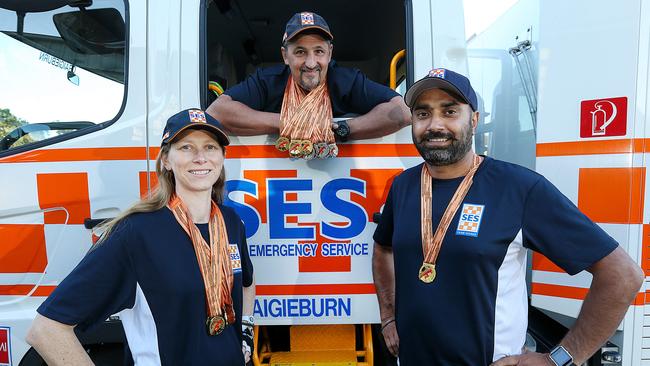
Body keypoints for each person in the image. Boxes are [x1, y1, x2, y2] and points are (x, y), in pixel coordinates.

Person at [371, 68, 644, 365]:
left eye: (449, 111)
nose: (435, 124)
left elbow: (623, 275)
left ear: (474, 120)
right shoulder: (403, 186)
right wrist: (387, 316)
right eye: (423, 114)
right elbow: (383, 248)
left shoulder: (518, 188)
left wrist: (559, 359)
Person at [26, 109, 256, 365]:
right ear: (166, 160)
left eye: (210, 147)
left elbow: (246, 281)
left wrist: (246, 329)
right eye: (186, 147)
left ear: (222, 157)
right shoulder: (136, 233)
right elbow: (46, 330)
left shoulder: (231, 222)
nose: (201, 158)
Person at [206, 11, 411, 142]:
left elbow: (402, 111)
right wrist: (290, 122)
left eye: (319, 52)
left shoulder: (345, 81)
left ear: (329, 53)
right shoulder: (268, 80)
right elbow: (217, 111)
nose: (311, 63)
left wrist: (343, 129)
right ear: (285, 56)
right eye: (300, 52)